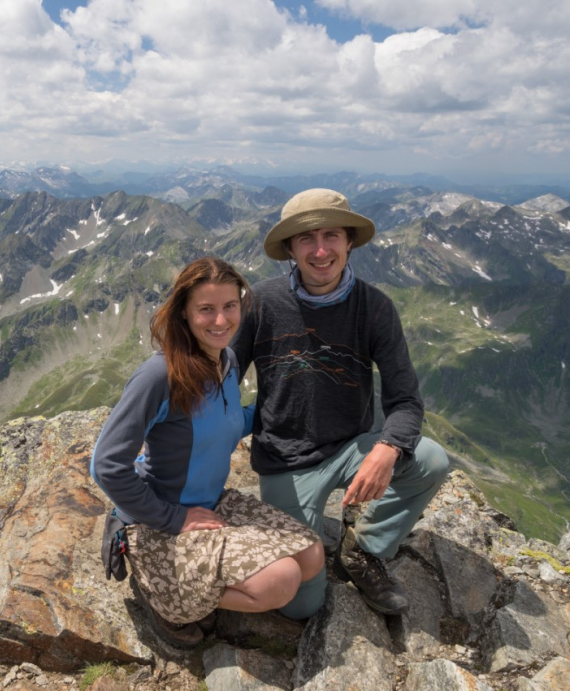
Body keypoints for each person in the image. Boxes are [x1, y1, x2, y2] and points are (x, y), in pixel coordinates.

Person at [230, 188, 450, 620]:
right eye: (306, 239)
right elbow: (222, 384)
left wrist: (387, 449)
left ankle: (363, 549)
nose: (320, 250)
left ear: (349, 241)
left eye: (331, 235)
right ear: (290, 249)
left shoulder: (375, 308)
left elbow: (406, 400)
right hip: (286, 461)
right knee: (301, 606)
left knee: (432, 461)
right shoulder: (260, 303)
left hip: (352, 448)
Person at [90, 257, 324, 648]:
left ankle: (193, 587)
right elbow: (106, 465)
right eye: (206, 309)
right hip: (159, 521)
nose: (221, 320)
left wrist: (286, 403)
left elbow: (225, 423)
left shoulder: (227, 361)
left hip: (213, 504)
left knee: (312, 555)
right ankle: (165, 599)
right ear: (183, 313)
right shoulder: (159, 375)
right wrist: (174, 518)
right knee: (281, 581)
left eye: (230, 306)